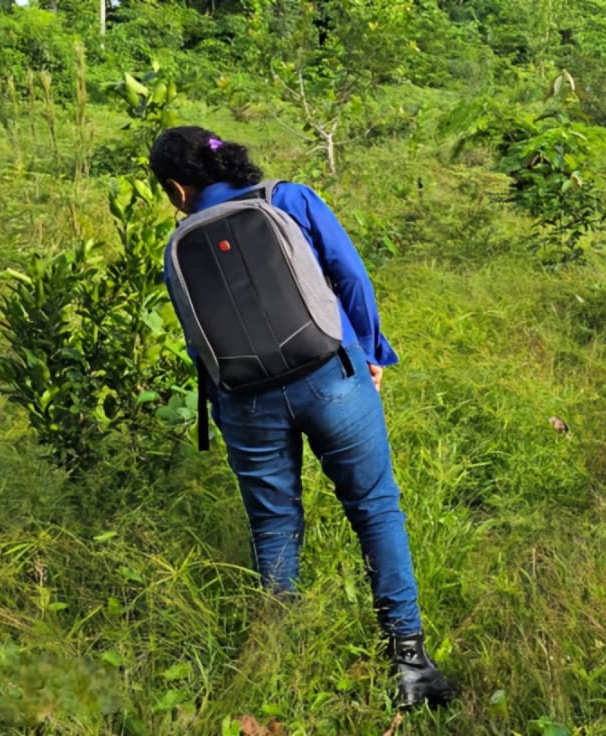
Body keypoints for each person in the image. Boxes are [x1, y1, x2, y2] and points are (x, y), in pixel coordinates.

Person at [148, 126, 454, 710]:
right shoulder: (287, 199)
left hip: (245, 401)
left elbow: (198, 341)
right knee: (374, 509)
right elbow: (352, 279)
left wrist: (228, 409)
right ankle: (410, 662)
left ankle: (281, 659)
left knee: (273, 526)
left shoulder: (179, 244)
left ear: (175, 188)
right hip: (330, 377)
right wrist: (368, 353)